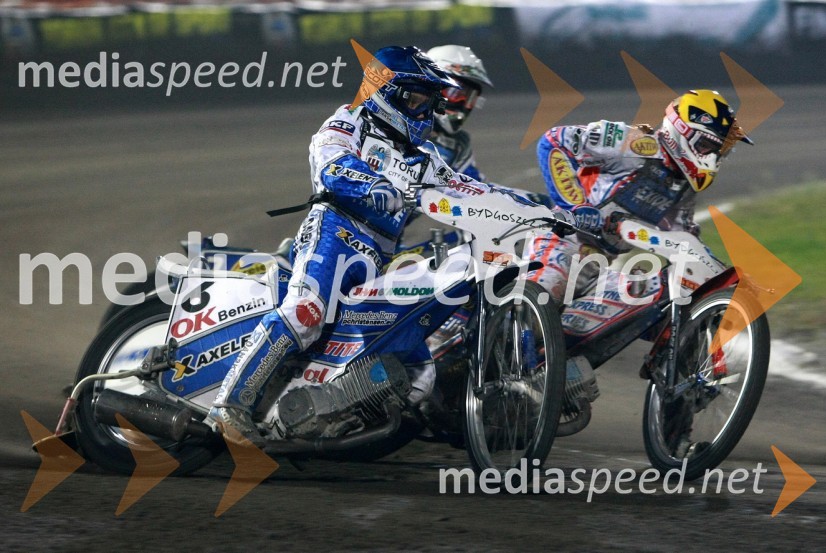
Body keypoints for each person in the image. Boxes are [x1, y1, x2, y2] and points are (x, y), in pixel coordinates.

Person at [206, 46, 567, 445]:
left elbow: (470, 189)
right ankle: (229, 406)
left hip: (380, 255)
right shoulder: (349, 122)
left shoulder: (424, 156)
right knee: (306, 313)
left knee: (417, 371)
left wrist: (543, 210)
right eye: (415, 100)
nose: (423, 111)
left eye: (428, 102)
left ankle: (328, 417)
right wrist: (374, 184)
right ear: (385, 92)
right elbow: (331, 163)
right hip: (334, 233)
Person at [526, 89, 752, 301]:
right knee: (545, 292)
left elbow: (685, 239)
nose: (713, 158)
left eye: (720, 151)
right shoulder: (632, 142)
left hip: (598, 266)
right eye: (707, 146)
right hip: (561, 242)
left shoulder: (683, 187)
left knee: (649, 298)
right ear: (681, 130)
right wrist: (574, 205)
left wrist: (720, 275)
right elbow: (554, 140)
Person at [424, 45, 493, 180]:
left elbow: (475, 184)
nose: (462, 101)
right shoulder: (398, 127)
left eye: (469, 95)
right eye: (454, 93)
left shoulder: (459, 143)